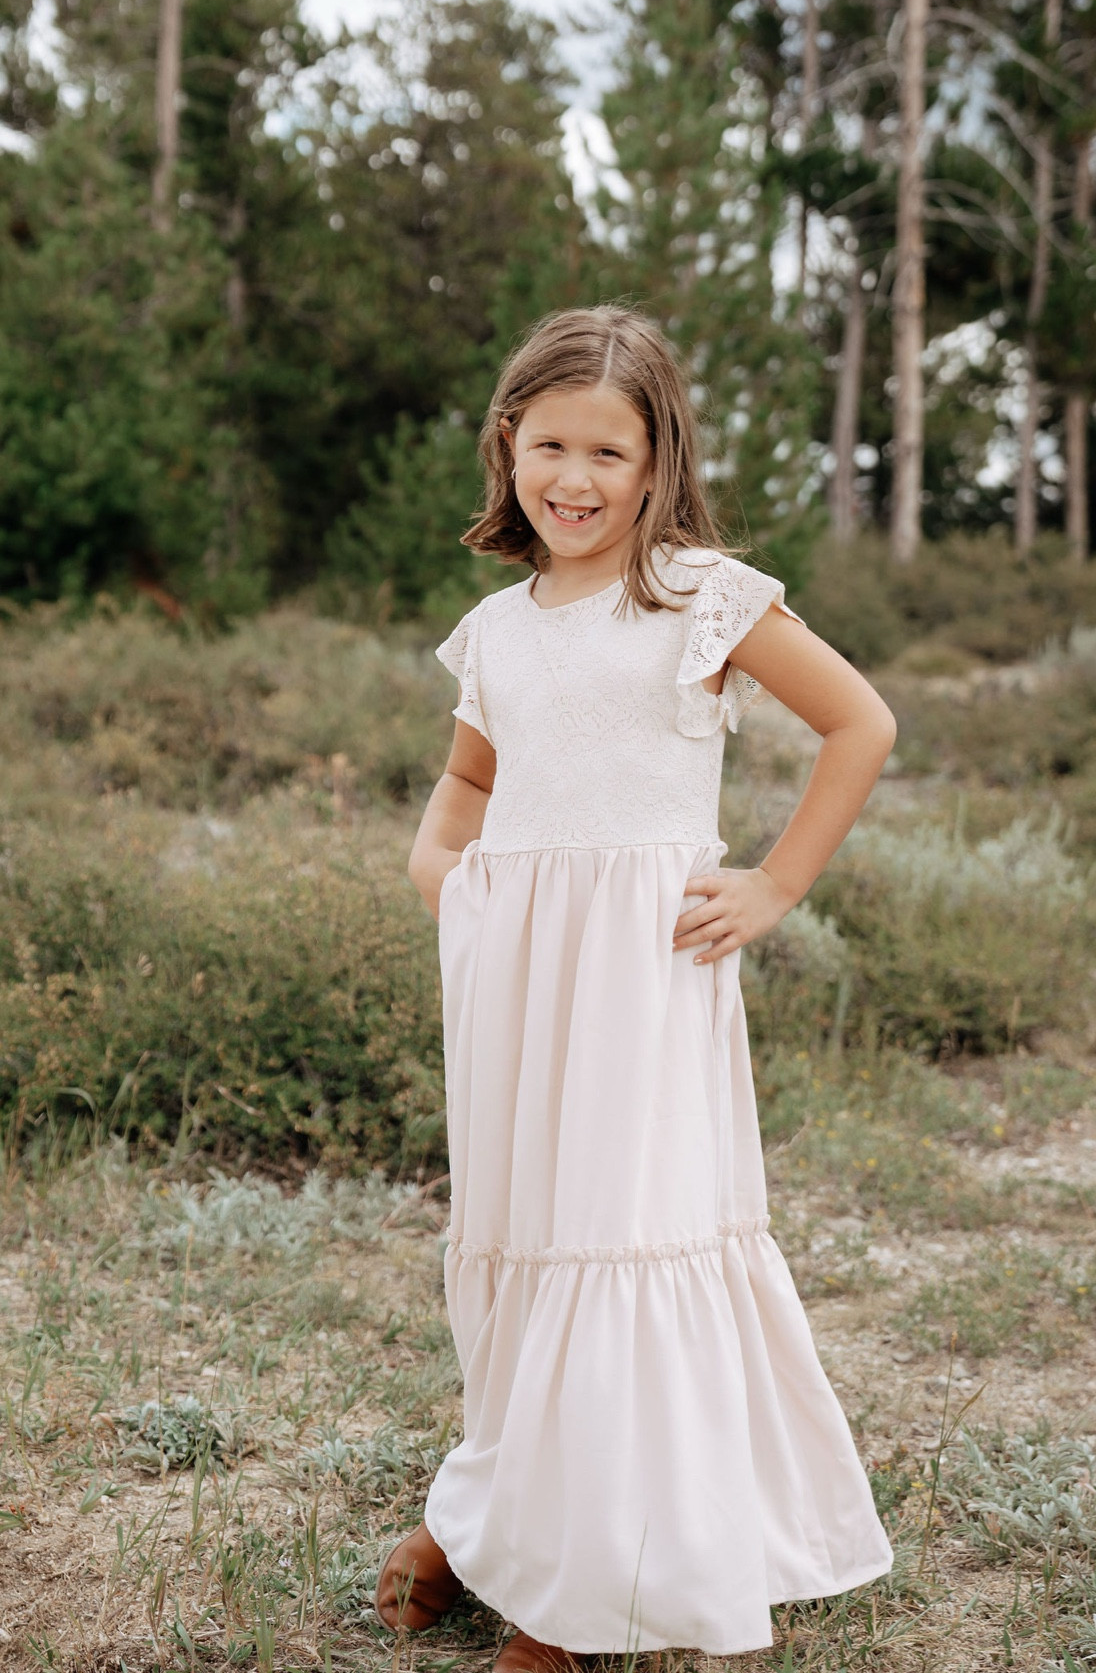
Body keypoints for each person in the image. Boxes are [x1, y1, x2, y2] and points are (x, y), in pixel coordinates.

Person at [375, 307, 898, 1670]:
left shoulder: (700, 594)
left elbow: (861, 722)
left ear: (659, 457)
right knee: (523, 1238)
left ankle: (577, 1596)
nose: (577, 478)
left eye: (611, 448)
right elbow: (474, 781)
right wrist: (438, 864)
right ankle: (496, 1514)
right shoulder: (493, 629)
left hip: (646, 978)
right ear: (509, 446)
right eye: (551, 443)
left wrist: (775, 886)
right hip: (513, 975)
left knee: (620, 1237)